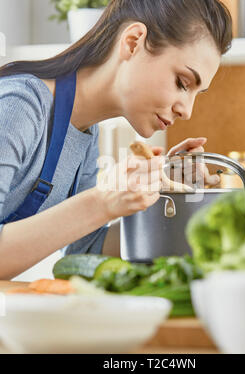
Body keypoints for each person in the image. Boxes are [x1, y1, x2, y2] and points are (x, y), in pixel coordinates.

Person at [0, 0, 232, 279]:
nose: (187, 110)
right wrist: (104, 201)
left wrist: (170, 203)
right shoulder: (20, 105)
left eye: (197, 93)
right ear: (133, 42)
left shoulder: (84, 132)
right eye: (182, 83)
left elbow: (84, 252)